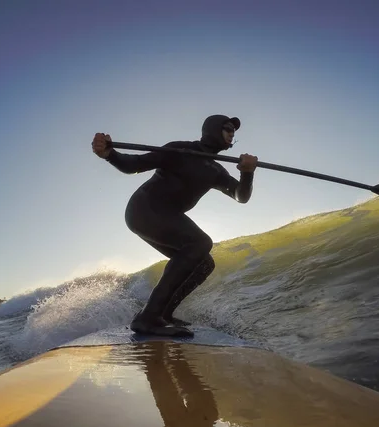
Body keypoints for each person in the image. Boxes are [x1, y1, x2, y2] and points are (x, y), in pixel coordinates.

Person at [91, 115, 257, 337]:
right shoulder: (180, 150)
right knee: (200, 242)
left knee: (204, 263)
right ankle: (147, 318)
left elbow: (240, 196)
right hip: (144, 209)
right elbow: (135, 165)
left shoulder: (216, 170)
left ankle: (162, 314)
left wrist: (247, 173)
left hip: (166, 215)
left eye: (233, 132)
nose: (231, 134)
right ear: (212, 130)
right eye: (227, 128)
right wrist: (109, 154)